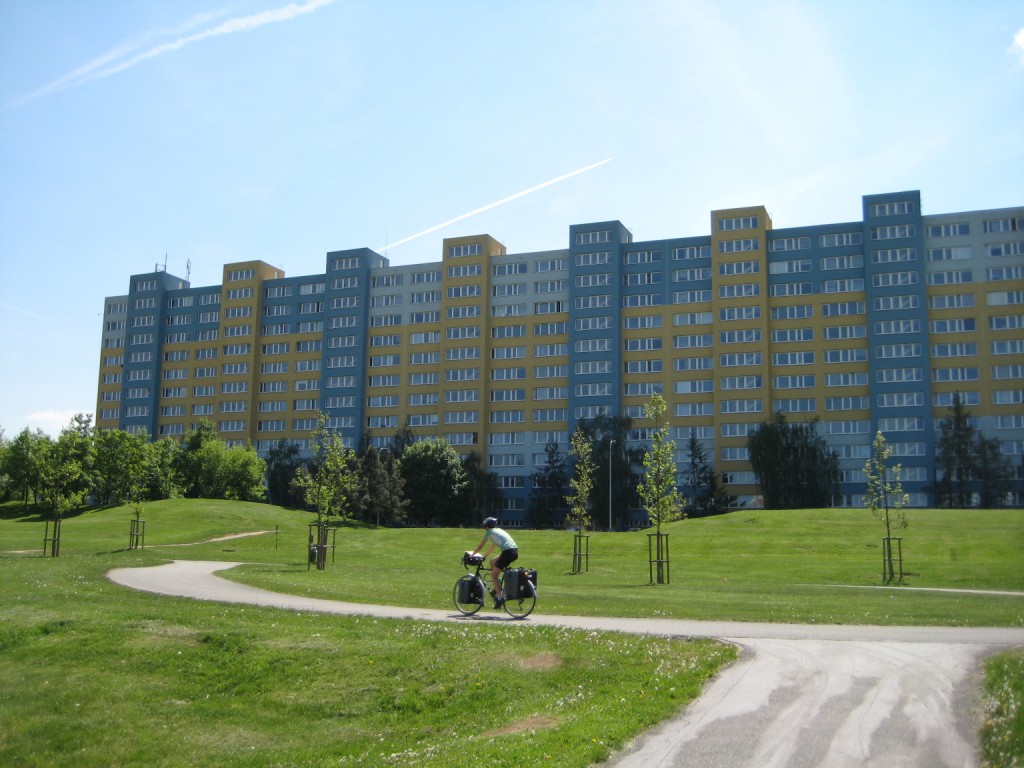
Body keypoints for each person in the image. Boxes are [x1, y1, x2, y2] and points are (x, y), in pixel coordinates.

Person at [472, 517, 518, 608]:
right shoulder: (498, 531)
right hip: (514, 552)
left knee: (493, 575)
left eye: (485, 527)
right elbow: (492, 547)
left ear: (487, 527)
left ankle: (500, 597)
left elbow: (480, 546)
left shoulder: (489, 532)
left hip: (507, 553)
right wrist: (484, 557)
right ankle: (499, 583)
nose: (485, 529)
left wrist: (471, 555)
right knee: (492, 562)